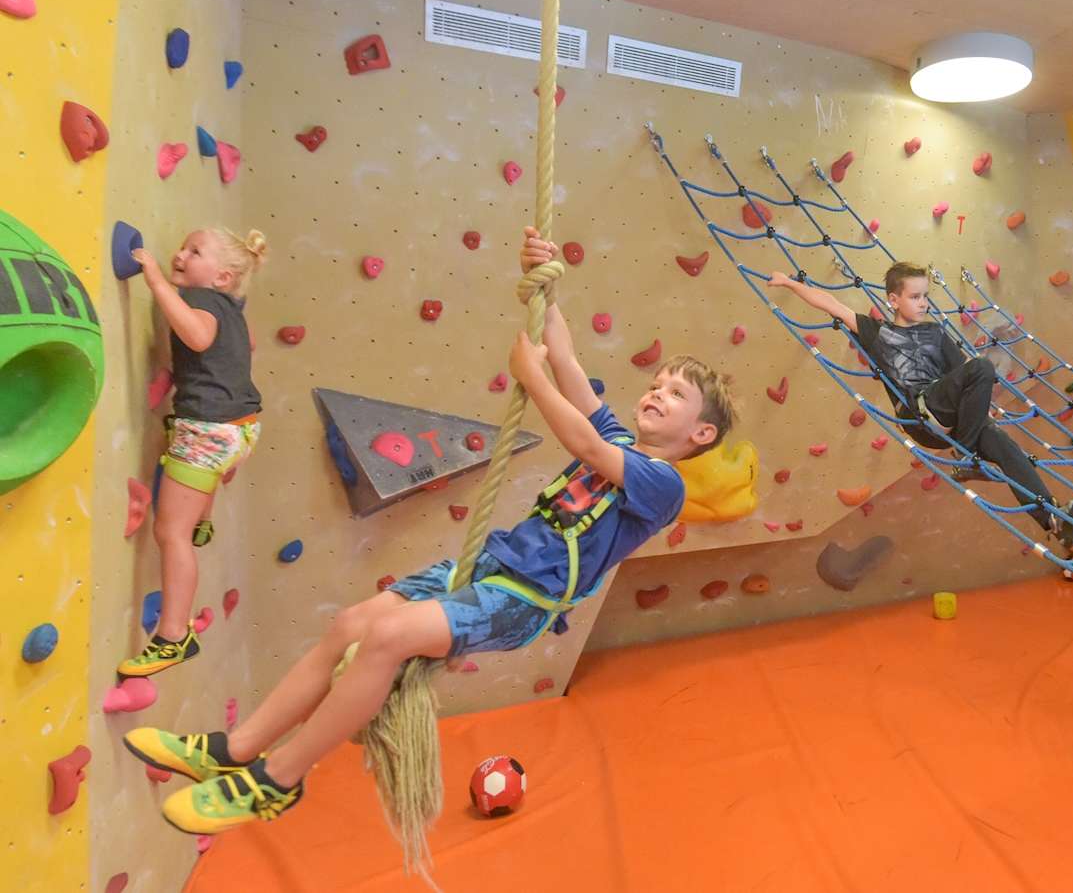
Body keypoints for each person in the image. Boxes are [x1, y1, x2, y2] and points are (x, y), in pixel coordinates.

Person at [123, 228, 737, 834]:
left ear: (700, 435)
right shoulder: (623, 438)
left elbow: (578, 436)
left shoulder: (663, 485)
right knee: (349, 627)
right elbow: (571, 362)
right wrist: (547, 285)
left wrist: (533, 380)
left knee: (387, 639)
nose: (657, 392)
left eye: (675, 394)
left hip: (523, 598)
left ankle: (277, 779)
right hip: (491, 569)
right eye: (657, 383)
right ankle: (235, 747)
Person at [767, 262, 1073, 555]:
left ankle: (1054, 522)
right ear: (893, 300)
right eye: (914, 296)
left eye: (925, 296)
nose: (923, 303)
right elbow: (831, 303)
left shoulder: (936, 334)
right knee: (982, 367)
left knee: (1007, 449)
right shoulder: (877, 332)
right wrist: (789, 283)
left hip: (952, 423)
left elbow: (961, 373)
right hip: (920, 414)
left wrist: (981, 410)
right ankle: (967, 457)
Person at [119, 229, 267, 678]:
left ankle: (171, 636)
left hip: (208, 429)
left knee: (169, 534)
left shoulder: (203, 302)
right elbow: (236, 348)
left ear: (222, 276)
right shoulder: (232, 309)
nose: (179, 254)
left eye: (194, 252)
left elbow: (198, 338)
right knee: (192, 489)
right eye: (181, 246)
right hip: (242, 428)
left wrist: (158, 283)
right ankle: (201, 520)